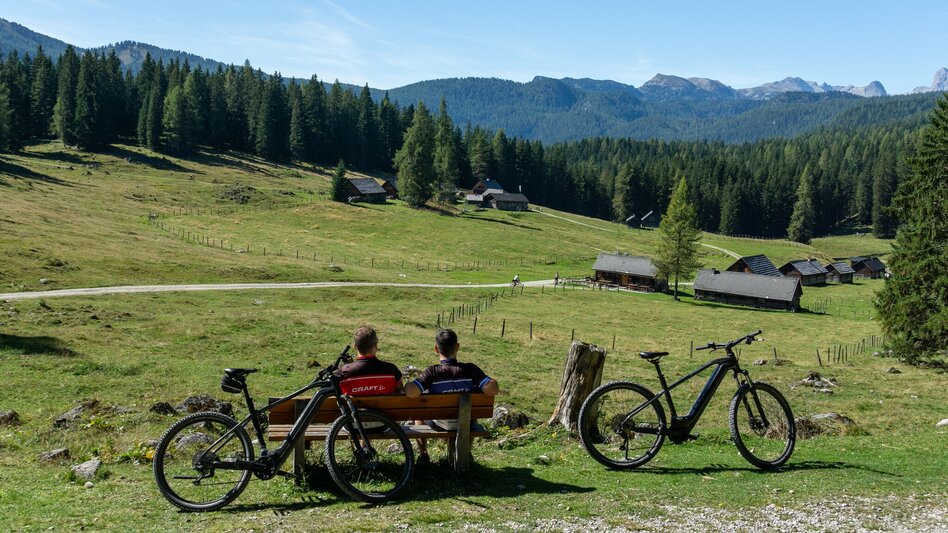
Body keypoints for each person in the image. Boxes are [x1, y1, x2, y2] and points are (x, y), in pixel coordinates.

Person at [405, 329, 499, 460]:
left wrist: (408, 382)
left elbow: (410, 392)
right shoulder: (470, 369)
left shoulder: (431, 373)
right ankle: (464, 452)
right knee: (469, 413)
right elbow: (494, 389)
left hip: (440, 423)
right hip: (464, 422)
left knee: (419, 415)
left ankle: (423, 454)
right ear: (458, 347)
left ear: (436, 349)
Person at [335, 326, 402, 396]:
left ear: (355, 346)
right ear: (376, 345)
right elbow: (400, 391)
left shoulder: (344, 372)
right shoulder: (392, 370)